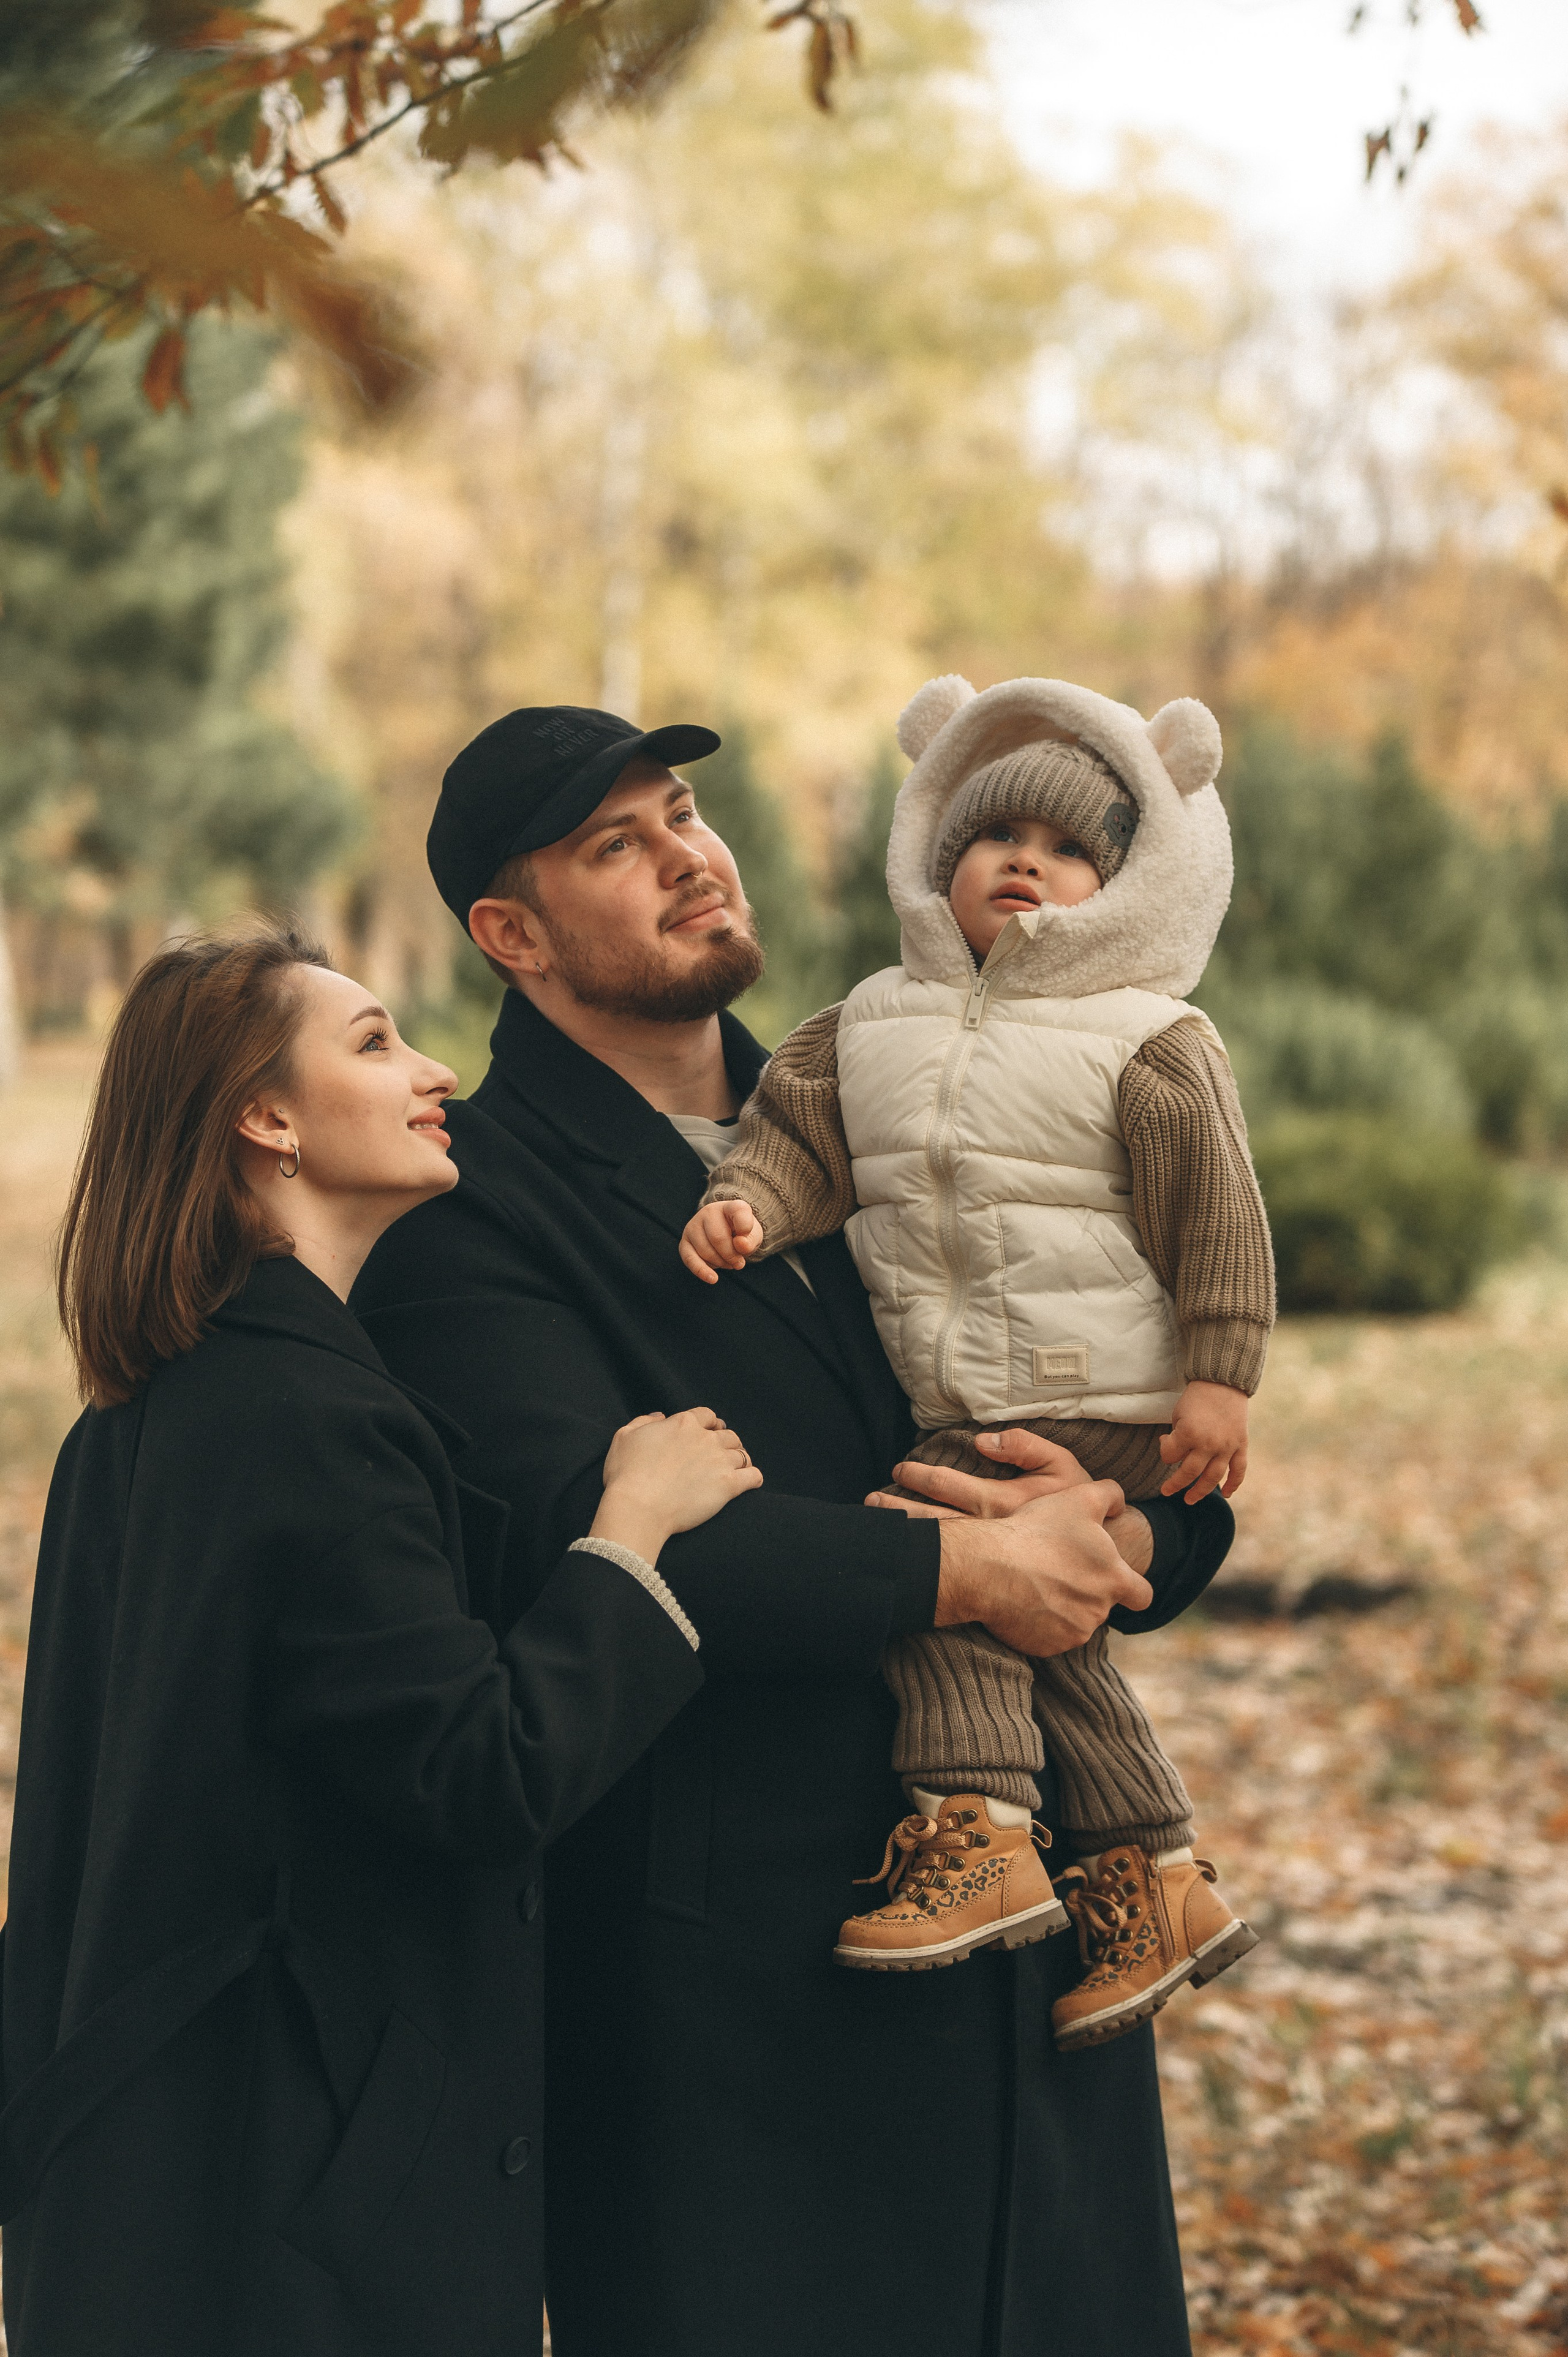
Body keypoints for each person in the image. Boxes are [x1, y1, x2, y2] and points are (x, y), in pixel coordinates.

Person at [352, 701, 1241, 2357]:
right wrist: (973, 1566)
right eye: (616, 843)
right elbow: (600, 1544)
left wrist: (1119, 1534)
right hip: (745, 2009)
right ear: (511, 934)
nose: (687, 855)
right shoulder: (463, 1209)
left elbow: (1146, 1425)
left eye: (682, 812)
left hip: (1038, 1952)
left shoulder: (897, 1099)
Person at [0, 922, 759, 2357]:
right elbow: (483, 1771)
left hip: (176, 2181)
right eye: (373, 1042)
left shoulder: (154, 1403)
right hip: (307, 2213)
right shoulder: (310, 1419)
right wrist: (630, 1529)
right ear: (266, 1119)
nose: (434, 1072)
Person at [679, 669, 1272, 2047]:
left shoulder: (1145, 1035)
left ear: (1122, 885)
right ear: (935, 858)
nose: (1026, 861)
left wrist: (1219, 1375)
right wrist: (750, 1204)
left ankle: (981, 1824)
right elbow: (799, 1137)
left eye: (1068, 848)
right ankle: (1153, 1877)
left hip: (1097, 1386)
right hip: (977, 1387)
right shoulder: (867, 1020)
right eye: (995, 835)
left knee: (932, 1564)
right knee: (1047, 1629)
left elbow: (1216, 1213)